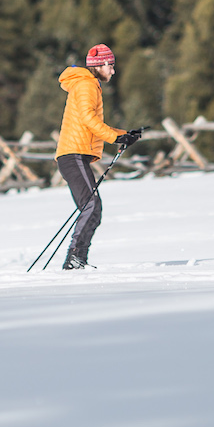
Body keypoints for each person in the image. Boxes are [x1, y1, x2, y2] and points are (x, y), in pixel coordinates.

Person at [54, 43, 139, 270]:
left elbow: (92, 123)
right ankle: (75, 259)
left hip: (74, 155)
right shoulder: (87, 84)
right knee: (92, 206)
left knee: (92, 207)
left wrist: (124, 135)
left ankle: (77, 259)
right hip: (73, 155)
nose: (113, 71)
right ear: (100, 65)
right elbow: (88, 120)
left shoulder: (86, 84)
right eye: (111, 66)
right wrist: (115, 138)